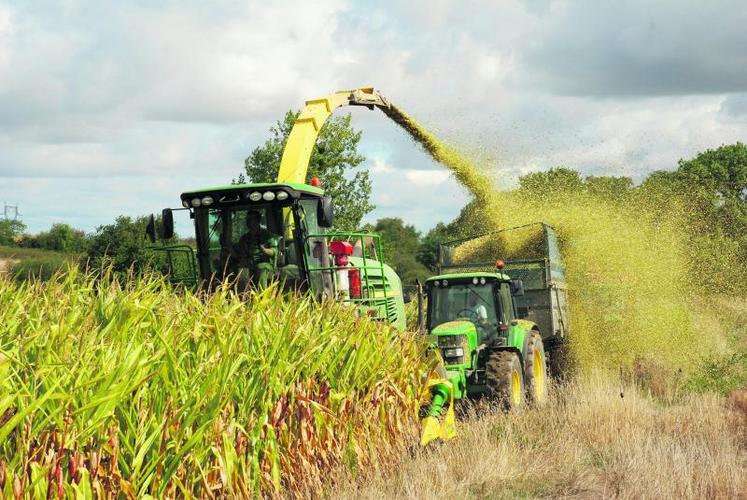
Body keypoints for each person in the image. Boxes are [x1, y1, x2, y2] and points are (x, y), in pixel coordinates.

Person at [235, 210, 279, 289]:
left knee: (260, 267)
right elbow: (239, 254)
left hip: (265, 264)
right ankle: (242, 298)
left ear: (258, 220)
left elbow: (274, 251)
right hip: (249, 264)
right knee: (239, 270)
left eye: (251, 219)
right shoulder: (244, 238)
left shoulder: (267, 235)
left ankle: (262, 298)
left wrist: (264, 250)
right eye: (247, 219)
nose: (248, 221)